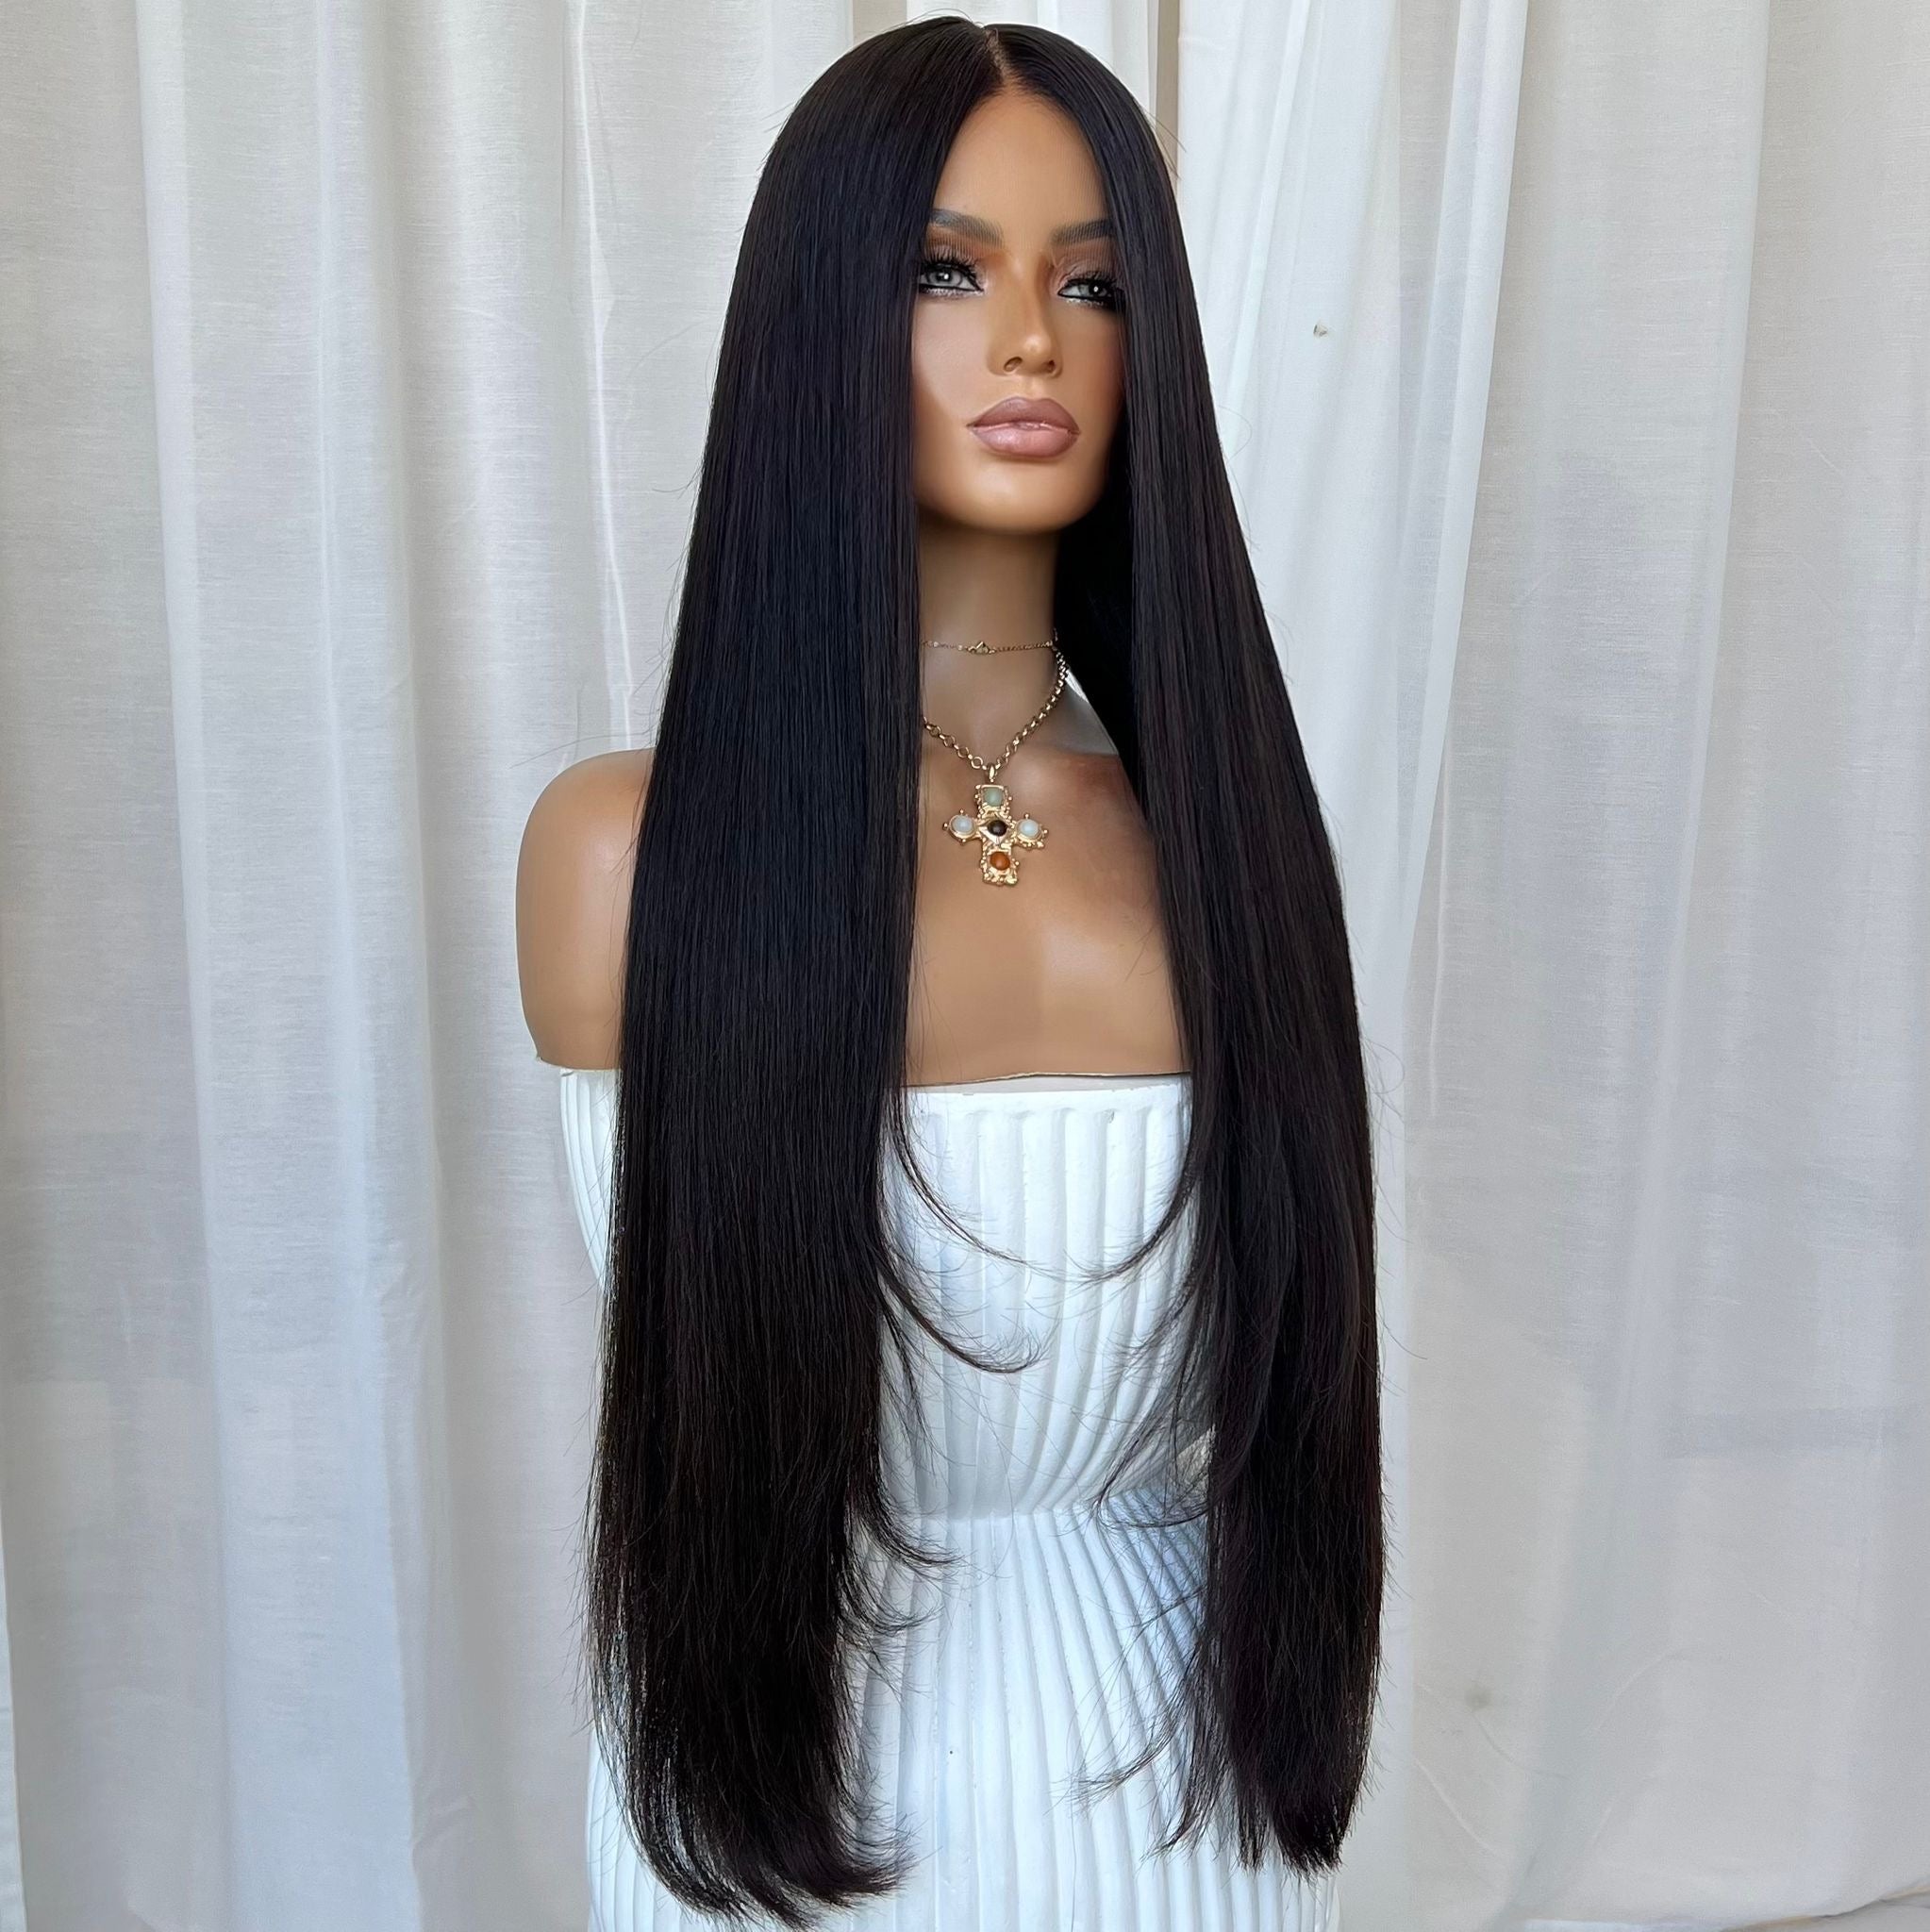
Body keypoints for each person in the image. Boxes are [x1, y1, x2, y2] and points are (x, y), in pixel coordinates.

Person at [516, 17, 1383, 1928]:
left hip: (1180, 1788)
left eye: (1092, 284)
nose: (1031, 344)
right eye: (943, 271)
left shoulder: (1228, 848)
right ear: (818, 322)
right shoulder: (626, 852)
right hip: (776, 1784)